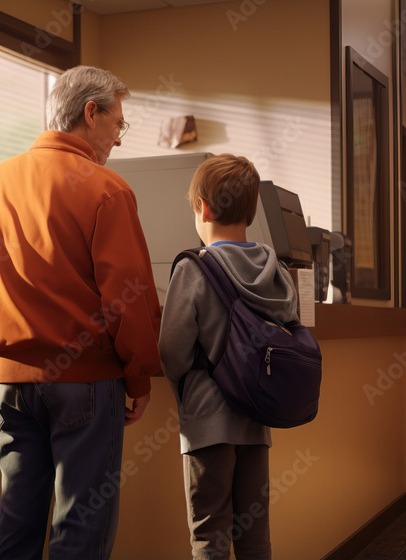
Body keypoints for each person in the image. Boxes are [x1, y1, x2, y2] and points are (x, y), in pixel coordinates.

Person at [0, 65, 162, 560]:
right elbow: (128, 297)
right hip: (85, 383)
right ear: (90, 114)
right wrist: (139, 379)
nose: (118, 138)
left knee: (17, 520)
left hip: (10, 386)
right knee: (81, 526)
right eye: (118, 124)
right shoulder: (106, 189)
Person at [159, 154, 299, 560]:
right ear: (252, 210)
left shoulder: (194, 269)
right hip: (256, 423)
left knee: (209, 533)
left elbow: (172, 350)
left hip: (207, 423)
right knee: (254, 534)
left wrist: (186, 390)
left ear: (202, 206)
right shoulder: (275, 268)